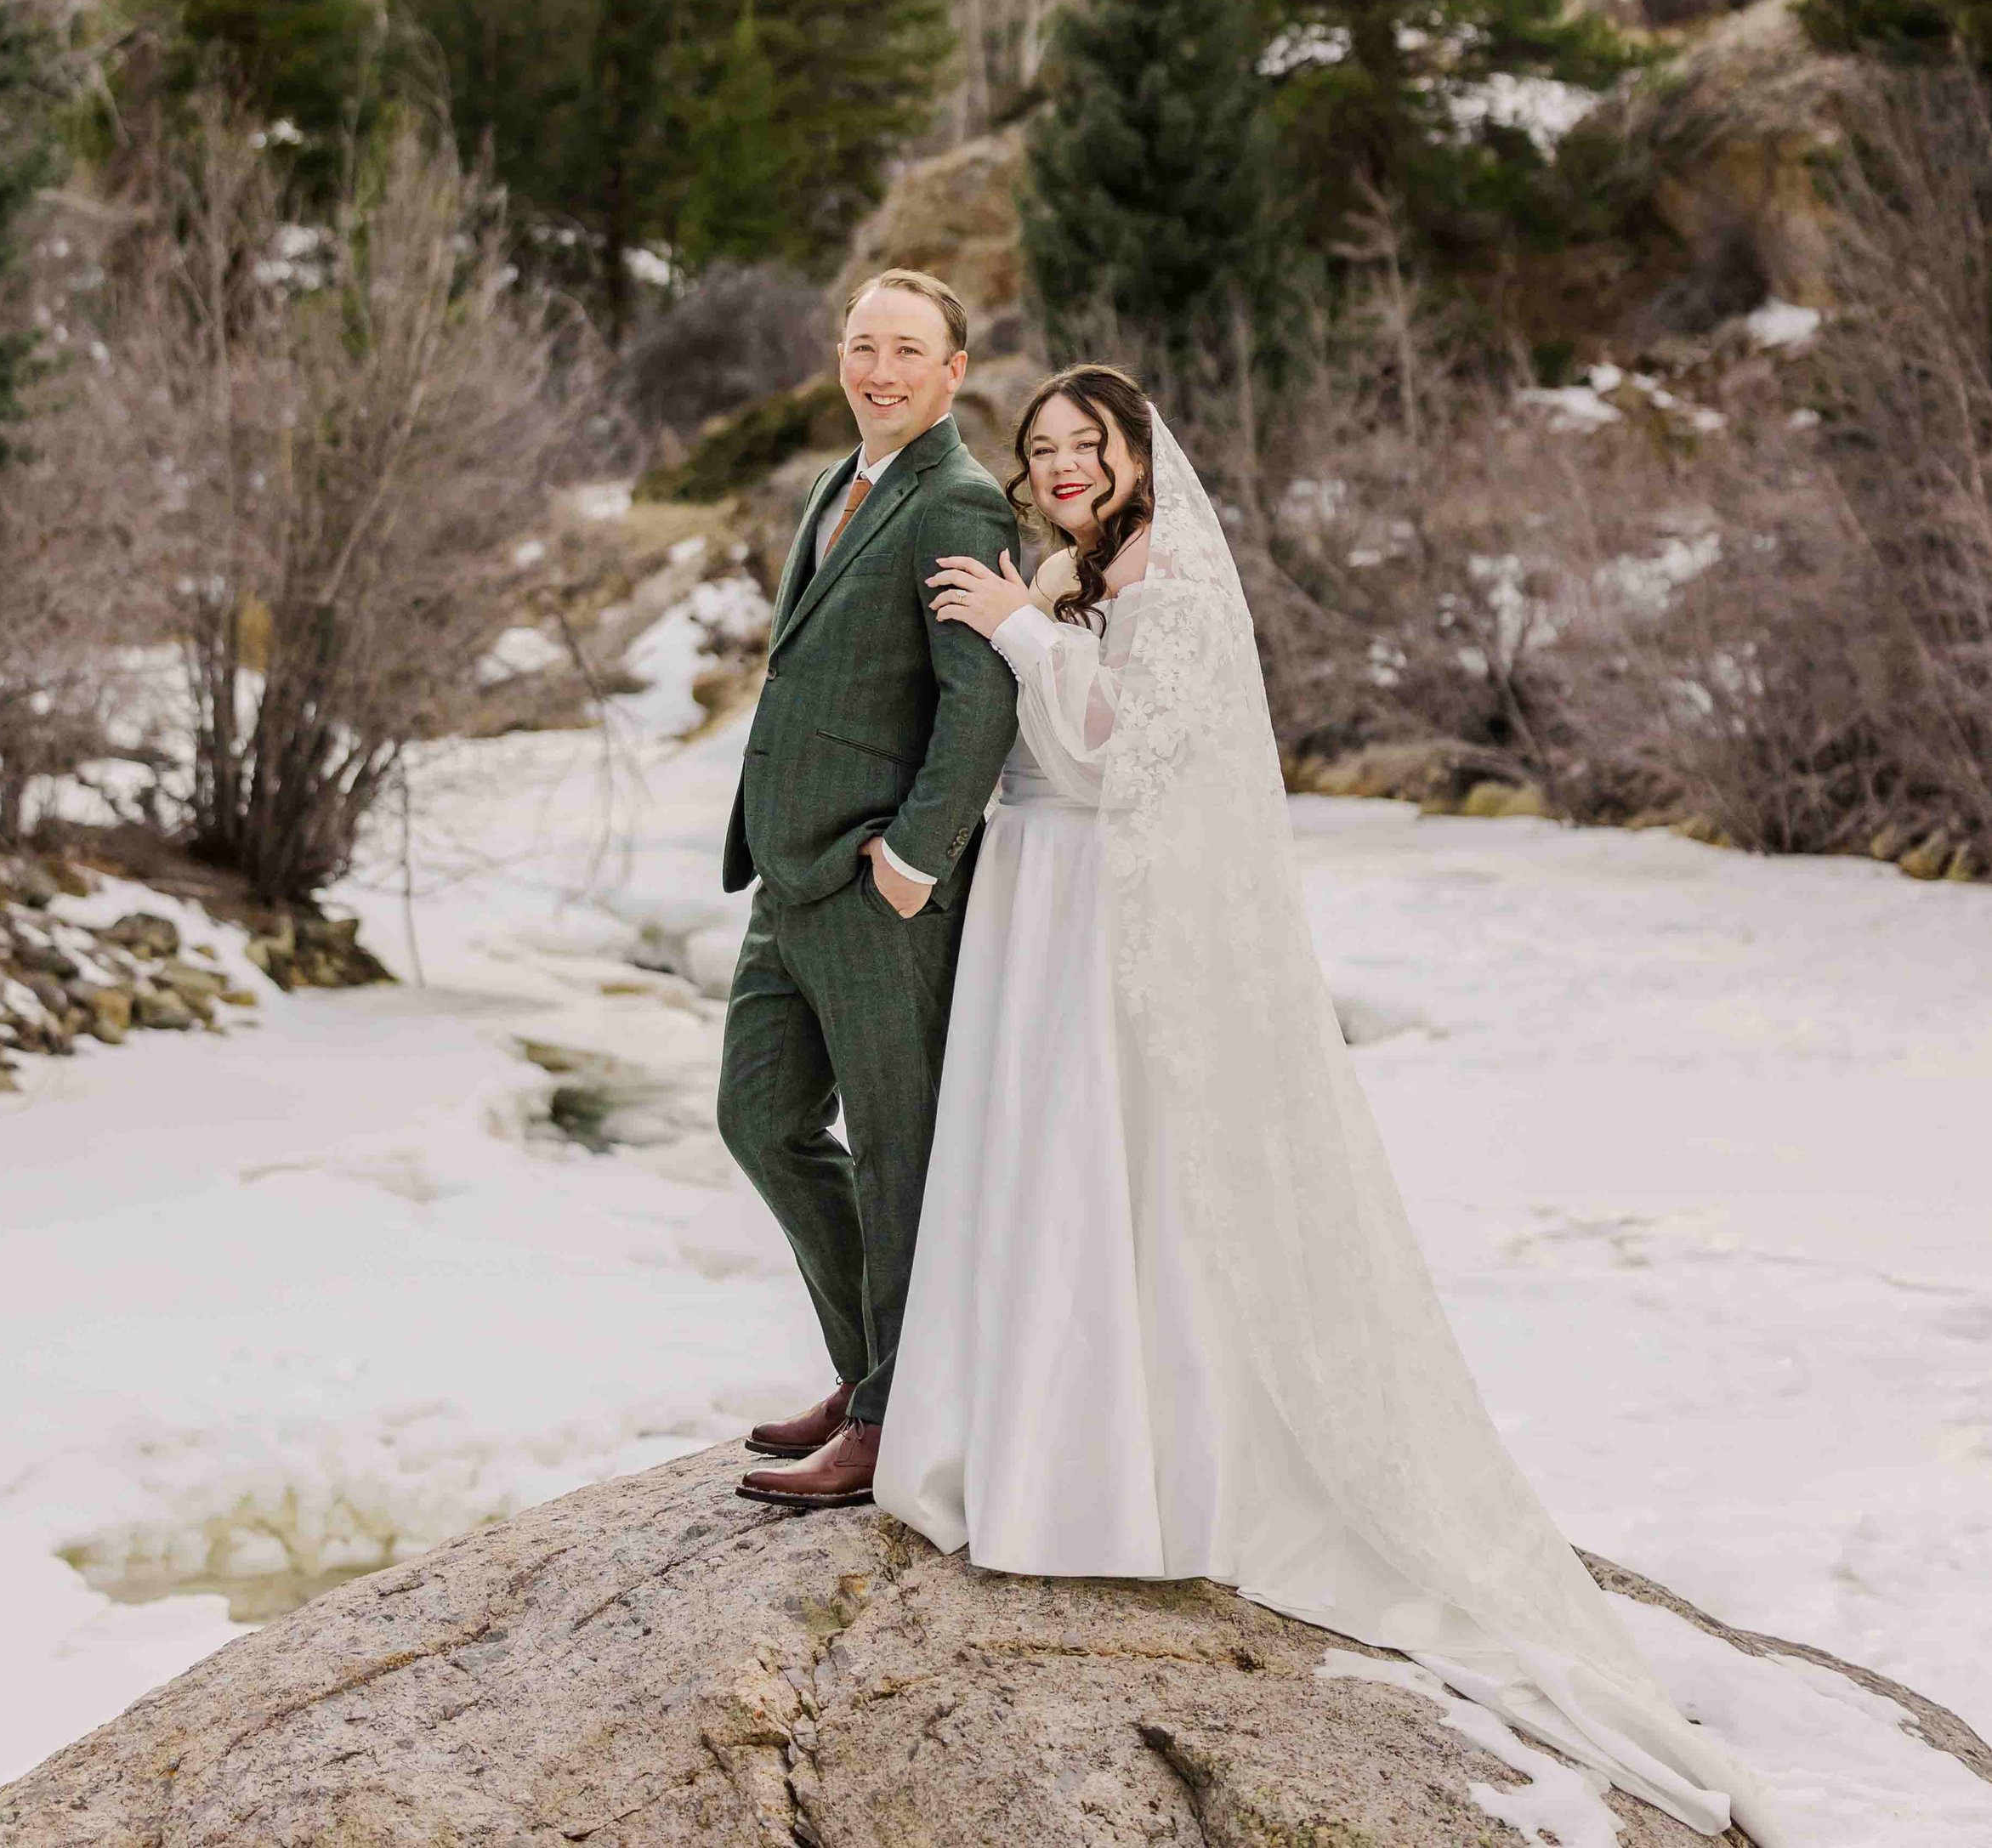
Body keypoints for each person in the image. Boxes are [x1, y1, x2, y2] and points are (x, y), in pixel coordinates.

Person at [873, 365, 1789, 1846]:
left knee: (1109, 1176)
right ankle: (1020, 1440)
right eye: (1038, 447)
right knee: (1038, 1176)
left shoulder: (1159, 571)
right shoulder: (1064, 566)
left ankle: (1117, 1474)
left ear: (1131, 455)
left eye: (1080, 445)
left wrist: (1024, 628)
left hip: (1104, 897)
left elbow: (1117, 752)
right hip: (1029, 898)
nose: (1057, 466)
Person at [720, 269, 1019, 1513]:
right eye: (861, 345)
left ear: (953, 371)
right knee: (761, 1119)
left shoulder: (958, 501)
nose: (879, 368)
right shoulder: (840, 488)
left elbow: (984, 695)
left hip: (876, 885)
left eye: (907, 349)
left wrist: (913, 857)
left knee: (899, 1153)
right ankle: (870, 1373)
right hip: (785, 882)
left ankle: (895, 1418)